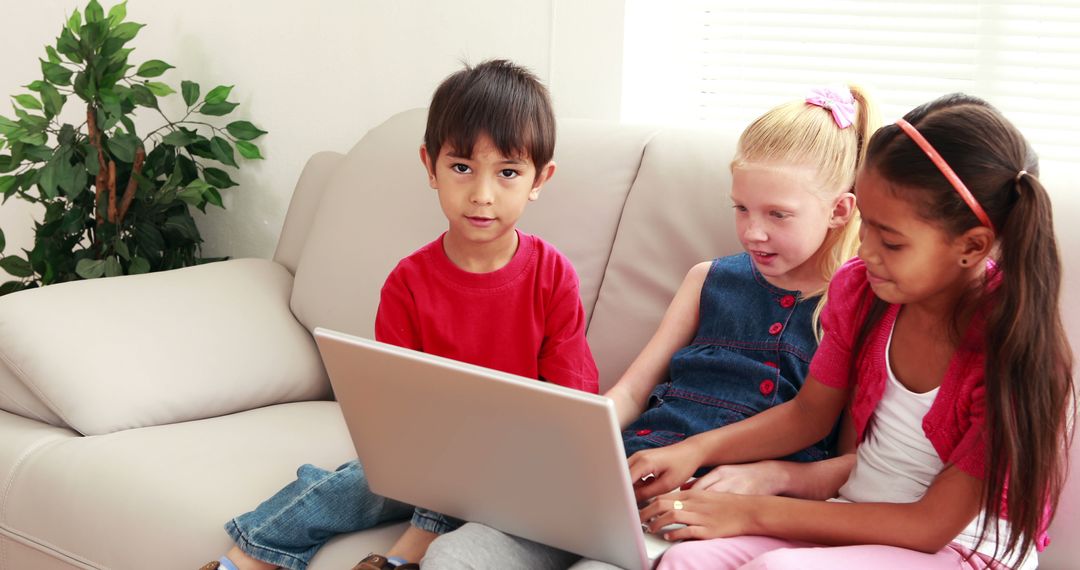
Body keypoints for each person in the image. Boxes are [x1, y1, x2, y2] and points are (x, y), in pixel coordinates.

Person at [421, 85, 880, 569]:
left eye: (777, 215)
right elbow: (632, 393)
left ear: (840, 211)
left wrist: (772, 476)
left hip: (710, 513)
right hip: (626, 473)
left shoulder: (856, 311)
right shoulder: (707, 279)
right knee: (458, 553)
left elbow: (854, 462)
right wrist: (570, 441)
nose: (752, 232)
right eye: (740, 208)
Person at [634, 94, 1074, 570]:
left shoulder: (1016, 351)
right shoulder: (862, 290)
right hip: (857, 517)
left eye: (891, 240)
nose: (866, 251)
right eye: (866, 226)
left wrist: (750, 512)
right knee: (682, 560)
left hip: (962, 548)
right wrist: (692, 450)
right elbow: (808, 416)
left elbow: (928, 527)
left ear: (972, 246)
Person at [199, 59, 599, 570]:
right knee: (344, 483)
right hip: (424, 458)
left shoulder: (552, 277)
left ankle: (407, 554)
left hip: (508, 467)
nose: (482, 195)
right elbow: (394, 407)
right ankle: (246, 557)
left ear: (540, 179)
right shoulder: (409, 281)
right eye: (461, 168)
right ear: (429, 166)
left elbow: (572, 407)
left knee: (464, 467)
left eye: (507, 173)